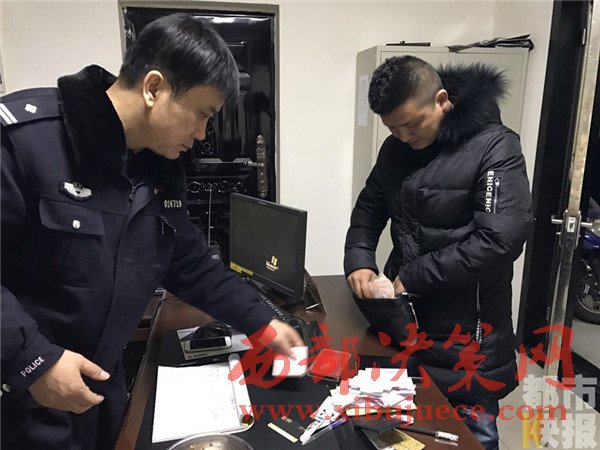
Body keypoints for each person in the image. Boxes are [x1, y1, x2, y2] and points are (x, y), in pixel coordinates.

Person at [0, 14, 303, 450]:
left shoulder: (157, 166)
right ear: (154, 88)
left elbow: (190, 263)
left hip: (102, 388)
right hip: (23, 396)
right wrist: (33, 360)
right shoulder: (25, 141)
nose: (202, 134)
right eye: (201, 114)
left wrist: (263, 322)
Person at [344, 55, 532, 450]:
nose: (403, 136)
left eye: (412, 124)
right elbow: (369, 208)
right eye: (392, 128)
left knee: (471, 436)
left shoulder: (496, 146)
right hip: (404, 321)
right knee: (411, 432)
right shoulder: (396, 149)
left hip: (467, 334)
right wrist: (359, 258)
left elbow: (500, 241)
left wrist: (412, 276)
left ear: (442, 100)